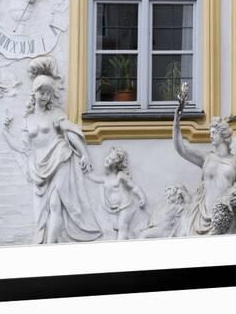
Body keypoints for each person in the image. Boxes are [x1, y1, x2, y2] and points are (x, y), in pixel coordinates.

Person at [21, 57, 102, 244]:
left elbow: (70, 132)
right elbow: (23, 146)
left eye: (48, 93)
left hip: (60, 156)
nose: (45, 96)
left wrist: (84, 153)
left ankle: (50, 245)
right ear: (34, 93)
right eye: (42, 92)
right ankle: (44, 240)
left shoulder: (55, 114)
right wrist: (4, 131)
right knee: (42, 210)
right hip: (39, 166)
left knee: (55, 203)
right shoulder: (27, 120)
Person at [171, 83, 236, 236]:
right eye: (210, 132)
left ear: (223, 134)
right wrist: (176, 120)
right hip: (201, 216)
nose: (210, 135)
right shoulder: (207, 158)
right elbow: (181, 148)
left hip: (225, 219)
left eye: (214, 132)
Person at [87, 147, 146, 240]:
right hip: (114, 208)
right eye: (108, 157)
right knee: (118, 226)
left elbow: (134, 187)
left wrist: (142, 197)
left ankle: (120, 242)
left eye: (111, 159)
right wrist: (86, 169)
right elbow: (92, 177)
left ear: (116, 164)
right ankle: (129, 237)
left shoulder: (120, 176)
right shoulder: (105, 178)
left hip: (126, 206)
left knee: (122, 225)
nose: (107, 159)